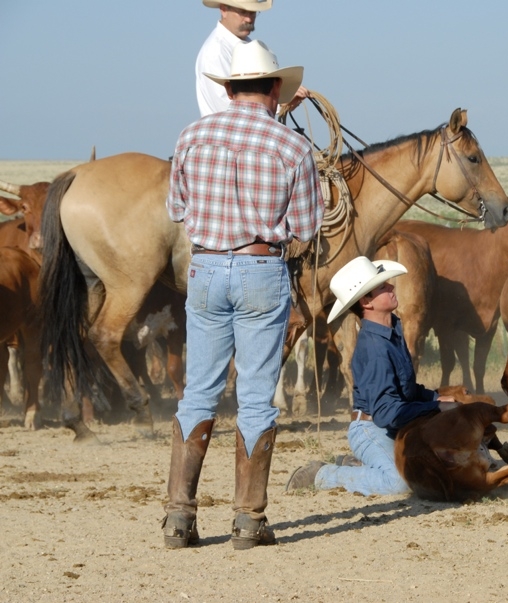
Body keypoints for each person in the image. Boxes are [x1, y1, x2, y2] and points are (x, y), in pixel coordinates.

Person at [162, 39, 324, 551]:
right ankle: (249, 521)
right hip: (261, 269)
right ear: (275, 89)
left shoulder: (191, 136)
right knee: (255, 397)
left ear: (229, 89)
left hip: (206, 266)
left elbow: (177, 209)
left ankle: (178, 518)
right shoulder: (293, 147)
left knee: (199, 391)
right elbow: (305, 226)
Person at [285, 256, 458, 496]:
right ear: (367, 302)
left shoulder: (391, 332)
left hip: (388, 424)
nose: (392, 287)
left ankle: (359, 465)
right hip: (370, 429)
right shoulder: (376, 347)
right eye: (383, 287)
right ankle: (323, 475)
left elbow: (406, 389)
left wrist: (435, 399)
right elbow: (387, 411)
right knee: (399, 483)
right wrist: (433, 408)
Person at [196, 0, 308, 116]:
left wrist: (283, 101)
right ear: (224, 10)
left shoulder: (241, 45)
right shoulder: (216, 51)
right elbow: (226, 106)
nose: (249, 19)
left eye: (252, 13)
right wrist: (281, 103)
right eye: (243, 12)